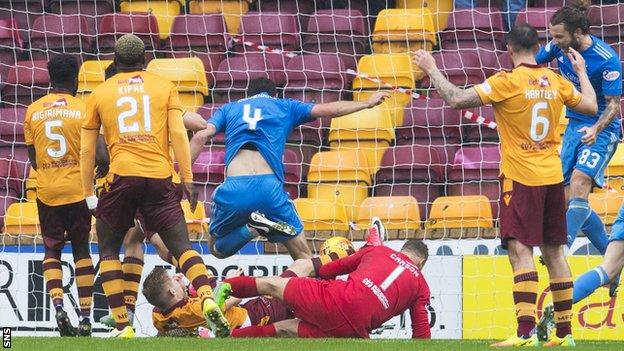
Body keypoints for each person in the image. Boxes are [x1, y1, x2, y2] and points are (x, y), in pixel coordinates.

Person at [413, 22, 598, 346]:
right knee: (555, 252)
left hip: (521, 180)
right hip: (553, 178)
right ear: (537, 46)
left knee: (519, 250)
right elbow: (591, 107)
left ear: (509, 49)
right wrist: (581, 72)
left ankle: (526, 333)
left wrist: (431, 68)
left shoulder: (506, 82)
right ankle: (565, 335)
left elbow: (456, 99)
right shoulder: (555, 80)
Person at [79, 34, 228, 338]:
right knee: (182, 248)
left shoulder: (99, 93)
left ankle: (123, 325)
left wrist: (87, 194)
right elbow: (177, 132)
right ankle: (207, 298)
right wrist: (187, 178)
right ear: (145, 60)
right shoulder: (163, 87)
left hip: (121, 177)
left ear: (115, 62)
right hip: (160, 177)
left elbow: (86, 150)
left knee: (108, 248)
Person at [189, 77, 388, 259]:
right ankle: (316, 293)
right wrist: (366, 103)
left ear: (248, 95)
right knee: (304, 258)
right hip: (269, 189)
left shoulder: (229, 109)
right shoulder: (285, 106)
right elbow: (330, 110)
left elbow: (200, 136)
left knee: (216, 250)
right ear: (274, 95)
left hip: (234, 188)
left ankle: (251, 229)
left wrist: (183, 176)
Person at [95, 62, 213, 328]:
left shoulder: (106, 100)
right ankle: (203, 289)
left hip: (124, 180)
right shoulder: (154, 98)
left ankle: (124, 314)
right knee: (140, 240)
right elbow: (201, 125)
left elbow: (96, 147)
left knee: (147, 245)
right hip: (158, 179)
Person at [536, 0, 622, 296]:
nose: (554, 41)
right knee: (568, 198)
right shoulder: (556, 47)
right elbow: (533, 62)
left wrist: (596, 128)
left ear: (577, 33)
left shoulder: (606, 59)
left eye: (559, 36)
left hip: (602, 129)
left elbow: (614, 105)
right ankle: (612, 263)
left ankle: (560, 248)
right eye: (552, 35)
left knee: (579, 182)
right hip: (573, 126)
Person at [23, 54, 96, 337]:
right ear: (75, 79)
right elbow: (96, 153)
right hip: (77, 189)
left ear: (50, 79)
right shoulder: (83, 109)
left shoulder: (32, 110)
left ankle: (58, 307)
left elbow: (34, 160)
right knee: (81, 250)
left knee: (52, 249)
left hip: (48, 190)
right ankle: (86, 317)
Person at [222, 239, 430, 339]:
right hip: (354, 332)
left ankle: (221, 290)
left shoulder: (380, 251)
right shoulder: (421, 285)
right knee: (285, 329)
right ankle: (229, 339)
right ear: (420, 264)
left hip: (334, 299)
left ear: (402, 250)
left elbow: (334, 267)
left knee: (272, 284)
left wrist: (318, 276)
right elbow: (421, 332)